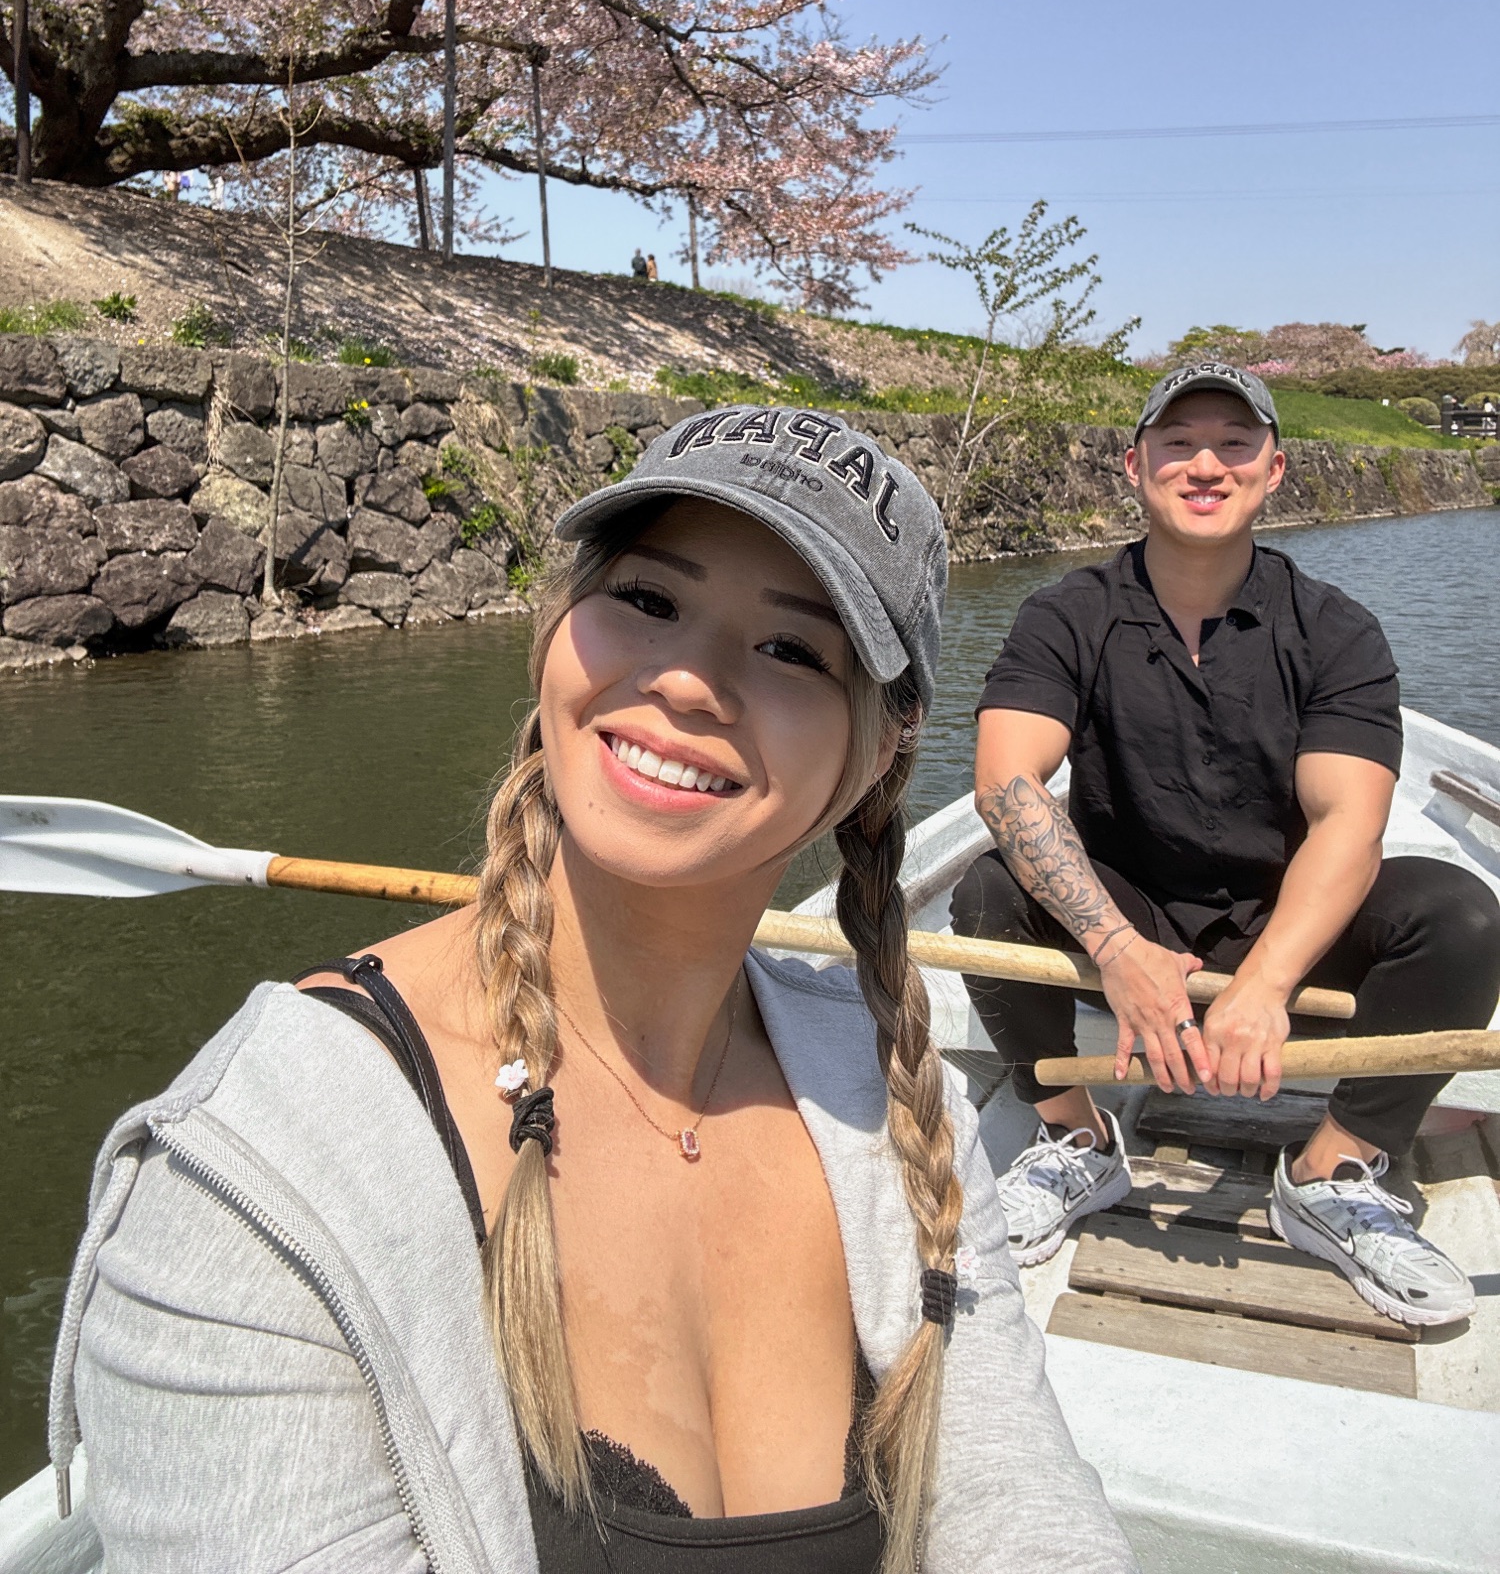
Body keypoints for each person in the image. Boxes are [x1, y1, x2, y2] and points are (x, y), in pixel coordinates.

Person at [53, 411, 1133, 1574]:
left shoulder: (894, 1102)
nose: (685, 680)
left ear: (881, 751)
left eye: (791, 651)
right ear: (554, 633)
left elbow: (1019, 1503)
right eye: (649, 601)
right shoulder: (256, 1175)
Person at [952, 361, 1500, 1328]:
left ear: (1275, 469)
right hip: (1128, 918)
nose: (1206, 464)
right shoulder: (1064, 615)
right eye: (1179, 442)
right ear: (1134, 465)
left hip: (1282, 921)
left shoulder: (1336, 631)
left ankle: (1333, 1170)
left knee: (1460, 915)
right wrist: (1116, 951)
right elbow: (1006, 781)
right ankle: (1075, 1142)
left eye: (1234, 443)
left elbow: (1348, 823)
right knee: (990, 891)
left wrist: (1264, 983)